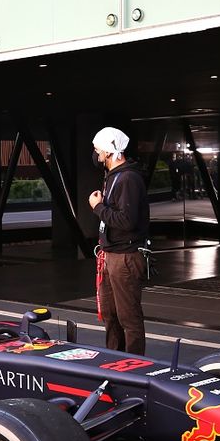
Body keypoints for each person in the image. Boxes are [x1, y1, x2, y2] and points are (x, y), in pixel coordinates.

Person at [88, 126, 150, 355]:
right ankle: (115, 359)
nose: (96, 154)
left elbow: (126, 221)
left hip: (125, 256)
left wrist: (98, 207)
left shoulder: (128, 178)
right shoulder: (114, 176)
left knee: (128, 316)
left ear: (108, 151)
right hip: (111, 254)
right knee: (110, 314)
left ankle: (135, 365)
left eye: (98, 150)